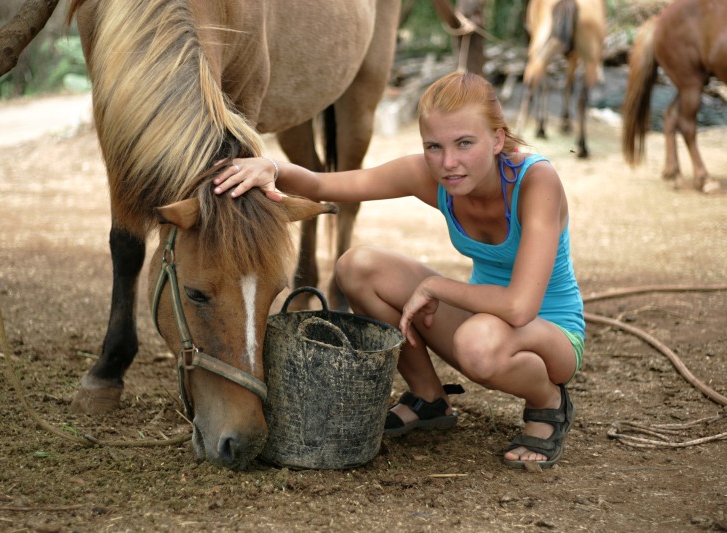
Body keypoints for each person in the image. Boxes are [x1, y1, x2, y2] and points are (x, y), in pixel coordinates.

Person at [213, 71, 585, 470]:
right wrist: (271, 167)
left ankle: (548, 402)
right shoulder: (433, 175)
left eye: (464, 143)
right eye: (433, 146)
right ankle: (428, 399)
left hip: (550, 334)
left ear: (497, 139)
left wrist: (436, 287)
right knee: (358, 267)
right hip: (482, 320)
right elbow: (324, 185)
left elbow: (518, 307)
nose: (448, 163)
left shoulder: (536, 181)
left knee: (479, 341)